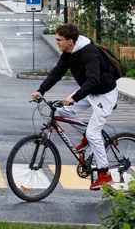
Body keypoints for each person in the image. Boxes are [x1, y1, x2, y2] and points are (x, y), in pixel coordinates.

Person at [31, 23, 120, 190]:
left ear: (70, 41)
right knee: (62, 110)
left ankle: (104, 174)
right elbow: (57, 72)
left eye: (59, 40)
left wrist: (75, 98)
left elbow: (94, 80)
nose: (56, 42)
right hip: (90, 90)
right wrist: (41, 90)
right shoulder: (68, 52)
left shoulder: (89, 52)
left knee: (94, 134)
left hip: (104, 93)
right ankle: (87, 133)